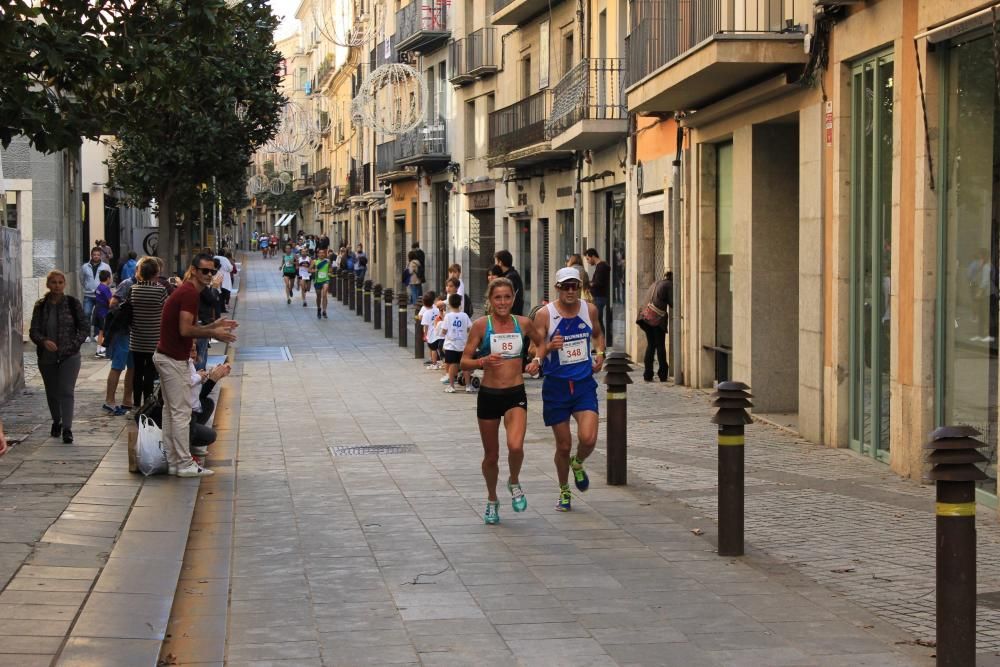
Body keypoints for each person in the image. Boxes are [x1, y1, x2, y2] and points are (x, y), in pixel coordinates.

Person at [460, 278, 546, 525]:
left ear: (513, 298)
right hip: (488, 395)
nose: (503, 302)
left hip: (515, 393)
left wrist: (536, 362)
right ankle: (491, 499)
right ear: (490, 300)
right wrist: (481, 362)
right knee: (491, 456)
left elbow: (541, 345)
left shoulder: (523, 323)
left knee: (516, 447)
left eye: (507, 297)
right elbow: (464, 360)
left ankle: (514, 480)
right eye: (498, 298)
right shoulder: (480, 326)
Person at [154, 253, 238, 477]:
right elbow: (185, 330)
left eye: (212, 271)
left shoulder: (189, 292)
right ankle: (183, 463)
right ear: (193, 271)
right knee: (181, 413)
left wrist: (213, 325)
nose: (209, 275)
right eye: (204, 271)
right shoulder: (190, 293)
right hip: (172, 358)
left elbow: (187, 326)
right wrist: (214, 332)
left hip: (168, 356)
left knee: (172, 412)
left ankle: (174, 462)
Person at [532, 267, 606, 512]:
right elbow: (535, 349)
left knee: (589, 438)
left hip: (584, 384)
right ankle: (564, 490)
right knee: (563, 445)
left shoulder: (590, 309)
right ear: (558, 288)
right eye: (566, 286)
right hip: (557, 387)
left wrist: (600, 354)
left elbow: (597, 334)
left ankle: (579, 462)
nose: (571, 291)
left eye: (575, 286)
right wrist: (549, 348)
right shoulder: (545, 314)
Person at [29, 270, 89, 444]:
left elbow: (84, 328)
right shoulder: (40, 306)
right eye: (53, 282)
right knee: (52, 392)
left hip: (69, 355)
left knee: (66, 391)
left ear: (64, 284)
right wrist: (43, 341)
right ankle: (57, 420)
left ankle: (67, 429)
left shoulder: (72, 303)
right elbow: (34, 331)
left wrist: (73, 345)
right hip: (47, 356)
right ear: (48, 285)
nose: (57, 286)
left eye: (60, 282)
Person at [637, 271, 672, 382]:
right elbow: (673, 302)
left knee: (651, 345)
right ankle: (662, 373)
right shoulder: (669, 285)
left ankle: (648, 374)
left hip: (645, 317)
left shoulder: (656, 283)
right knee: (660, 345)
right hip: (655, 319)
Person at [441, 294, 473, 394]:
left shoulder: (448, 316)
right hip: (462, 344)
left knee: (452, 365)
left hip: (451, 344)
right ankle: (468, 386)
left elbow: (444, 331)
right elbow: (469, 328)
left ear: (449, 304)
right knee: (465, 366)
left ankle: (451, 386)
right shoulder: (464, 315)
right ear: (460, 304)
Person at [79, 248, 112, 341]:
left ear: (100, 255)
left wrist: (104, 289)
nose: (96, 256)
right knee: (86, 314)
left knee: (99, 315)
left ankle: (97, 334)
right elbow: (81, 278)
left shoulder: (106, 266)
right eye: (94, 254)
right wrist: (87, 286)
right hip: (88, 295)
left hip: (100, 296)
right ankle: (86, 335)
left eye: (98, 254)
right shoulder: (85, 267)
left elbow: (110, 279)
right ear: (91, 255)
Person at [584, 248, 611, 338]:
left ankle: (601, 344)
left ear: (593, 256)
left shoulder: (601, 266)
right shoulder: (600, 266)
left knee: (597, 320)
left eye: (588, 259)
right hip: (599, 297)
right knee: (597, 320)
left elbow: (599, 283)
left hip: (599, 297)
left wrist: (590, 284)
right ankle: (600, 344)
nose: (588, 261)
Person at [494, 250, 525, 316]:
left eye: (496, 261)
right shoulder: (511, 275)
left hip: (511, 316)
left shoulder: (510, 278)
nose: (496, 264)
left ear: (500, 262)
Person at [419, 292, 442, 370]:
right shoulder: (437, 310)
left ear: (424, 304)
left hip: (431, 334)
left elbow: (426, 326)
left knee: (433, 349)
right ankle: (441, 362)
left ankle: (434, 363)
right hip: (439, 332)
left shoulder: (426, 313)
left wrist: (425, 335)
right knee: (440, 348)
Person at [94, 269, 113, 358]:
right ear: (108, 278)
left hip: (97, 311)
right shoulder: (106, 289)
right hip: (103, 312)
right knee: (105, 331)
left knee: (101, 331)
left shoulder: (99, 287)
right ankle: (102, 349)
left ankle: (98, 350)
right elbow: (111, 302)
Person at [313, 248, 331, 319]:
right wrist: (315, 270)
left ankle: (324, 311)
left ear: (324, 254)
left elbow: (330, 269)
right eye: (320, 253)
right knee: (318, 296)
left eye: (323, 253)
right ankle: (318, 309)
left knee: (324, 295)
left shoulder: (327, 261)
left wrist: (330, 271)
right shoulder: (315, 262)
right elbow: (309, 269)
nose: (321, 254)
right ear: (318, 254)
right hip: (318, 281)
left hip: (325, 280)